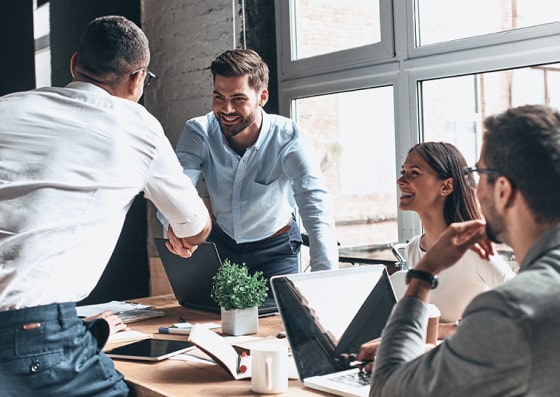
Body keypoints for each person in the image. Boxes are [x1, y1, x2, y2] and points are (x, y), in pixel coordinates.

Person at [0, 15, 211, 396]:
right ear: (137, 79)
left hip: (38, 330)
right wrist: (179, 230)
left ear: (74, 64)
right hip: (32, 335)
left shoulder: (8, 107)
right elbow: (196, 227)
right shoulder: (135, 124)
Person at [358, 104, 560, 396]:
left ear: (502, 190)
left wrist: (423, 275)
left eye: (478, 173)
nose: (473, 186)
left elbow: (388, 390)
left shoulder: (510, 310)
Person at [161, 48, 338, 289]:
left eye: (238, 99)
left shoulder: (290, 138)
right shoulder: (199, 131)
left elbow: (316, 208)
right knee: (207, 320)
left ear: (262, 97)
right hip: (220, 246)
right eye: (219, 97)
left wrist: (326, 283)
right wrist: (174, 224)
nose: (226, 109)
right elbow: (175, 188)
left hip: (275, 251)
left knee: (279, 321)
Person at [397, 142, 515, 331]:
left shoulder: (472, 250)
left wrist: (444, 329)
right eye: (403, 171)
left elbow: (525, 305)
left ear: (446, 186)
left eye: (415, 172)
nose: (401, 181)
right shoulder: (413, 248)